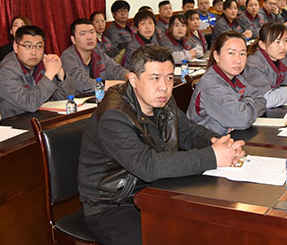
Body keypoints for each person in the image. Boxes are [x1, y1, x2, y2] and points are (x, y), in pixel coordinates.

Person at [77, 45, 246, 245]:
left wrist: (220, 143)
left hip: (154, 190)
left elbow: (188, 131)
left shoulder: (162, 100)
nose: (164, 87)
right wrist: (213, 156)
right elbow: (147, 166)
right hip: (112, 204)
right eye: (155, 78)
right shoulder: (114, 115)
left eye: (169, 78)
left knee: (211, 224)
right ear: (133, 80)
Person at [187, 32, 264, 135]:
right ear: (216, 56)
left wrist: (243, 107)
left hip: (230, 137)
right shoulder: (211, 86)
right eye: (231, 53)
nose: (238, 60)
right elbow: (243, 119)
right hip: (208, 142)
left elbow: (261, 99)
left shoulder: (235, 76)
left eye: (242, 54)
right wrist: (247, 103)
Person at [0, 25, 74, 118]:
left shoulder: (43, 62)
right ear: (16, 47)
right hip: (11, 121)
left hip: (37, 117)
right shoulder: (7, 70)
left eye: (39, 46)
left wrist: (60, 73)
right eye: (28, 46)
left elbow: (67, 99)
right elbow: (29, 104)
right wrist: (49, 74)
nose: (34, 52)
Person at [61, 18, 129, 95]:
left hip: (97, 98)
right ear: (73, 39)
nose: (89, 37)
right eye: (83, 34)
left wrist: (128, 76)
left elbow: (115, 69)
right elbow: (80, 83)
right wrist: (109, 84)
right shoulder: (67, 57)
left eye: (92, 32)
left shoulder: (98, 53)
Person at [242, 22, 287, 111]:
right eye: (277, 42)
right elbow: (266, 101)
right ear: (262, 45)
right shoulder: (254, 64)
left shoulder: (280, 58)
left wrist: (282, 93)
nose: (283, 46)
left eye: (286, 41)